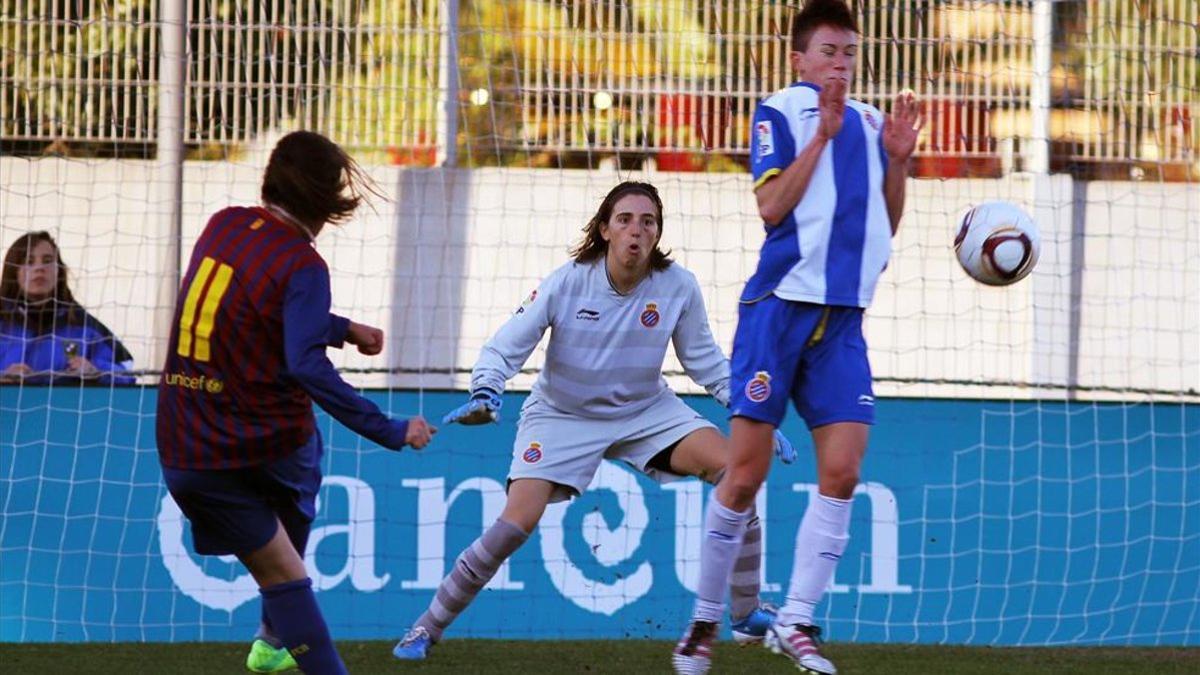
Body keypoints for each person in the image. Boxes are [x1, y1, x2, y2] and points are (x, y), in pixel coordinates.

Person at [391, 181, 791, 663]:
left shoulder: (677, 285)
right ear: (604, 229)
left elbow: (705, 361)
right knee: (514, 525)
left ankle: (745, 613)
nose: (636, 231)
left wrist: (753, 412)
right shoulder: (567, 281)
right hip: (562, 414)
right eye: (624, 220)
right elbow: (507, 343)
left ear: (658, 232)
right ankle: (425, 628)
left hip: (645, 411)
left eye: (648, 221)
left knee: (738, 471)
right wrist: (486, 388)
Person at [673, 1, 922, 673]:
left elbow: (887, 224)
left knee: (843, 469)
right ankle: (702, 624)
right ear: (799, 58)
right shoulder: (778, 111)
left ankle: (797, 620)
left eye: (850, 53)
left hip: (843, 317)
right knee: (745, 472)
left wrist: (897, 162)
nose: (841, 63)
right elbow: (771, 206)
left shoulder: (874, 121)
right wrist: (822, 136)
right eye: (829, 52)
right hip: (778, 310)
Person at [155, 130, 437, 675]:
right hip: (236, 451)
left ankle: (271, 636)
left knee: (301, 454)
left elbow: (258, 307)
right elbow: (304, 365)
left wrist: (343, 328)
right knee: (287, 558)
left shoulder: (226, 223)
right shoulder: (303, 265)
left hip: (181, 433)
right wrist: (391, 428)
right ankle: (276, 638)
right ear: (327, 200)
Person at [0, 231, 135, 386]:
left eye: (47, 260)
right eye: (29, 261)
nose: (39, 268)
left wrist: (96, 371)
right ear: (13, 272)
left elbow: (127, 370)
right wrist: (3, 377)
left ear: (59, 271)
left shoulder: (84, 325)